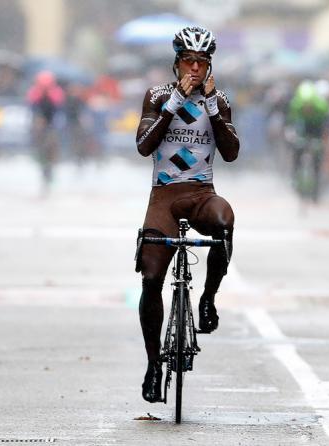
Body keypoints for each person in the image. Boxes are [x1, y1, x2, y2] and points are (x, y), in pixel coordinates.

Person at [135, 26, 239, 403]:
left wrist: (211, 105)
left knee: (225, 222)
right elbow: (145, 146)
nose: (194, 68)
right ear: (176, 63)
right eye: (188, 61)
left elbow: (230, 153)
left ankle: (208, 298)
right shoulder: (158, 95)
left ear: (210, 66)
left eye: (201, 62)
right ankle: (152, 365)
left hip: (200, 193)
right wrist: (177, 100)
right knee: (150, 277)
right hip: (164, 195)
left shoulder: (219, 100)